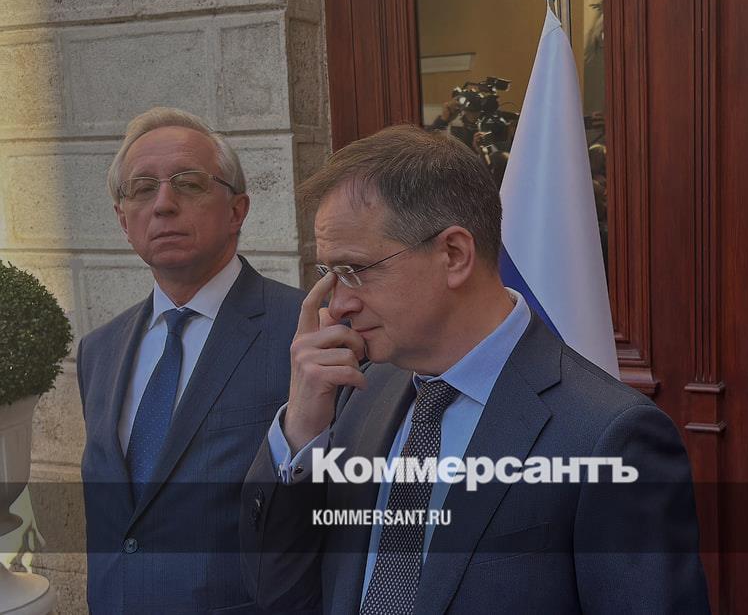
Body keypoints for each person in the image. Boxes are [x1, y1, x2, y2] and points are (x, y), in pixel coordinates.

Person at [240, 124, 709, 613]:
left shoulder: (607, 433)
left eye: (354, 271)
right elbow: (278, 592)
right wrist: (301, 430)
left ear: (454, 254)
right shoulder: (358, 392)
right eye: (328, 275)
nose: (337, 305)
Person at [76, 107, 303, 613]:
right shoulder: (99, 351)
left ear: (237, 210)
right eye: (141, 189)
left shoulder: (304, 329)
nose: (163, 204)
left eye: (188, 183)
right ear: (123, 221)